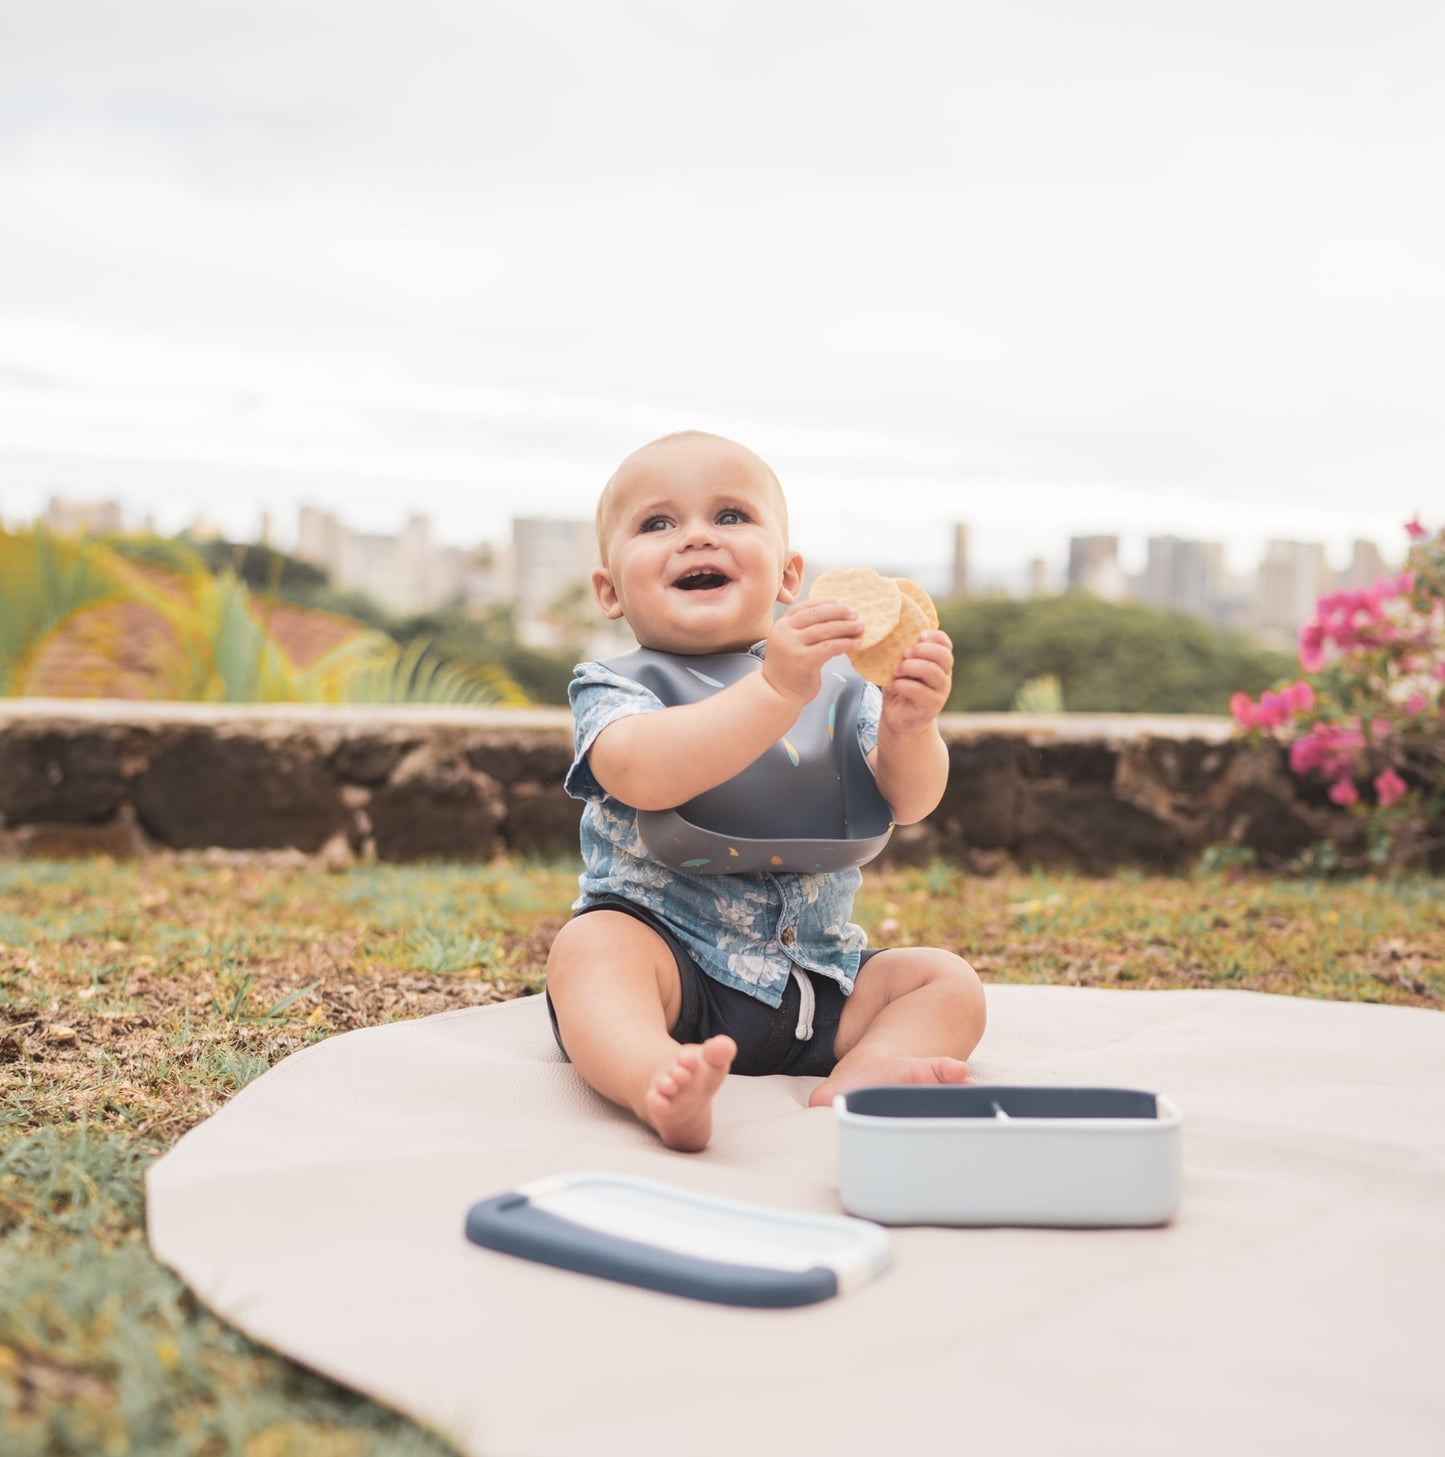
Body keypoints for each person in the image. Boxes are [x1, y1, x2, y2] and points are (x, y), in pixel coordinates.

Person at [545, 430, 986, 1151]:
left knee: (945, 980)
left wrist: (911, 728)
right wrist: (775, 691)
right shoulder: (618, 687)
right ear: (609, 591)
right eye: (657, 523)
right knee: (590, 950)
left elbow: (909, 801)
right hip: (674, 972)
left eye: (730, 516)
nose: (696, 537)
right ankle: (654, 1074)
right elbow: (643, 771)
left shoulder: (840, 683)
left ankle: (870, 1067)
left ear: (788, 576)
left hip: (817, 979)